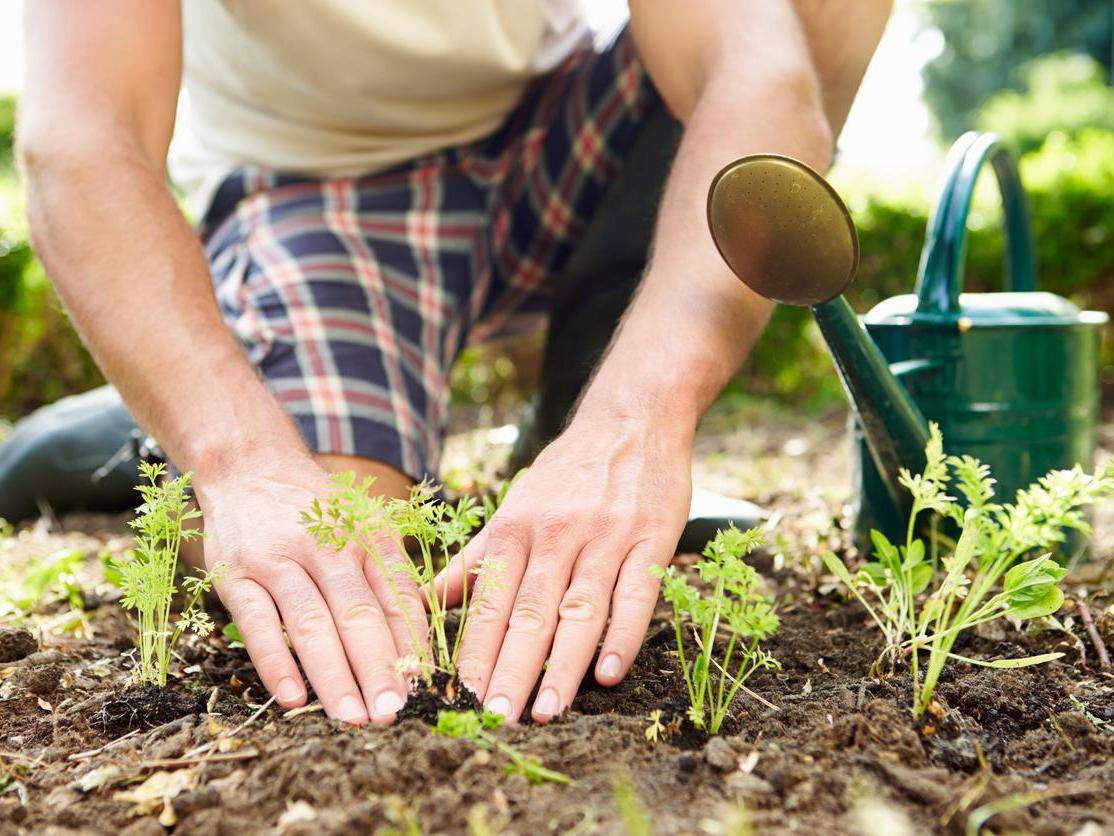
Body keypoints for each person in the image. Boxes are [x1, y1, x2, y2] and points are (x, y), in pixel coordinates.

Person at [13, 0, 890, 726]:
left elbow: (759, 75)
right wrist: (238, 460)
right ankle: (179, 405)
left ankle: (575, 420)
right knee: (347, 553)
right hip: (328, 186)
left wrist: (638, 418)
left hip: (560, 135)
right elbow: (85, 140)